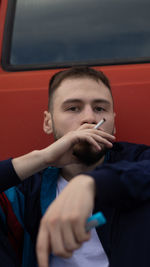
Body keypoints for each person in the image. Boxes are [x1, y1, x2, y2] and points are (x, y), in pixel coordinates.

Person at [1, 66, 150, 267]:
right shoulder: (28, 186)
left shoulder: (137, 159)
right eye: (73, 108)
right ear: (48, 122)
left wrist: (93, 183)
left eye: (100, 109)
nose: (89, 118)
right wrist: (43, 158)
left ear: (113, 123)